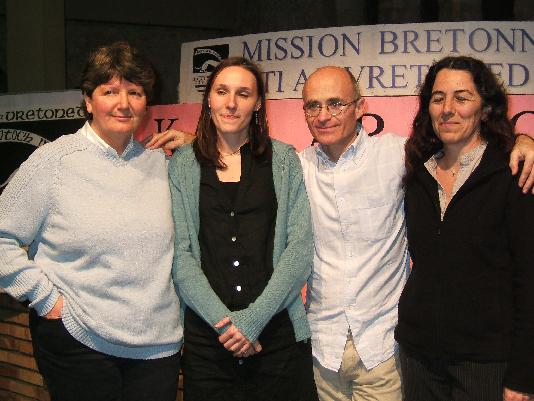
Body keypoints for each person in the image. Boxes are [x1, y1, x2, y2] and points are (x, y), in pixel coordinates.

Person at [154, 63, 534, 401]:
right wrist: (195, 143)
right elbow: (236, 157)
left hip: (384, 350)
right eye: (314, 106)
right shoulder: (294, 165)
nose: (324, 115)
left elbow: (460, 144)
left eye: (336, 103)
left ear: (359, 107)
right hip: (322, 350)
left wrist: (521, 141)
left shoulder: (400, 156)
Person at [0, 42, 182, 401]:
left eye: (135, 92)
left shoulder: (163, 165)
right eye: (109, 91)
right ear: (88, 100)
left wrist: (197, 147)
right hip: (79, 342)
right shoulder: (53, 162)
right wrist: (44, 297)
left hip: (157, 348)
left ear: (147, 104)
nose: (123, 103)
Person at [168, 56, 318, 401]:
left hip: (276, 338)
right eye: (222, 91)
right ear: (209, 99)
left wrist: (251, 321)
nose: (231, 102)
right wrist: (226, 324)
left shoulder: (283, 160)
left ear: (259, 102)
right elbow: (182, 256)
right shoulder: (183, 165)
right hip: (209, 344)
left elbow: (299, 249)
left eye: (243, 93)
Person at [395, 56, 534, 401]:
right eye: (438, 98)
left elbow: (530, 279)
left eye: (462, 97)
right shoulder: (417, 174)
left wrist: (523, 374)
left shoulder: (513, 173)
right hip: (419, 356)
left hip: (487, 361)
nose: (448, 109)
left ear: (485, 108)